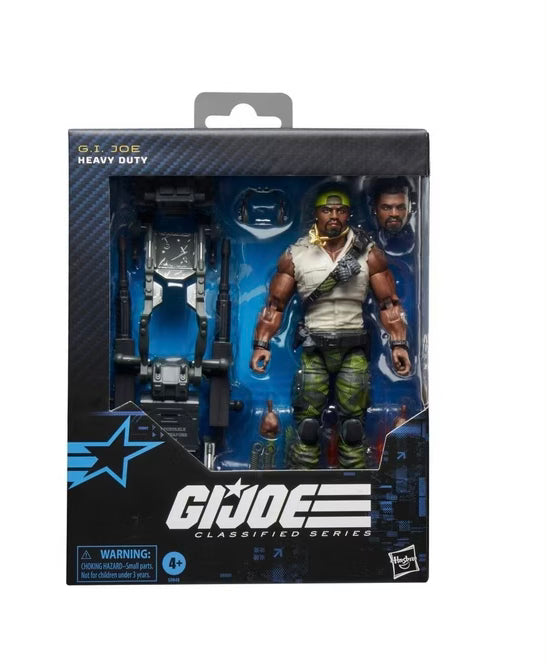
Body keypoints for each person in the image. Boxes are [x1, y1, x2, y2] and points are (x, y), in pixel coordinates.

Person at [250, 191, 411, 469]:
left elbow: (388, 304)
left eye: (340, 210)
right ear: (316, 213)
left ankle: (356, 484)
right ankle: (301, 483)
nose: (334, 216)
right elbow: (275, 305)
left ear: (348, 214)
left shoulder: (368, 253)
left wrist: (399, 344)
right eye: (327, 210)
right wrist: (262, 345)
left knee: (353, 428)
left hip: (353, 348)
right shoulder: (296, 254)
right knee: (307, 427)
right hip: (315, 348)